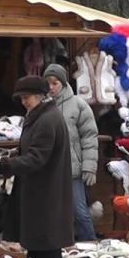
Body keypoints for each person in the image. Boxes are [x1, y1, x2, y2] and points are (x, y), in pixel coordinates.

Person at [0, 76, 74, 258]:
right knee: (38, 244)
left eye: (27, 97)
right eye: (22, 98)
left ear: (40, 96)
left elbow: (37, 157)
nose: (24, 102)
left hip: (46, 192)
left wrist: (6, 166)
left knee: (47, 245)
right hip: (41, 190)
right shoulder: (40, 116)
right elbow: (32, 149)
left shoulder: (47, 119)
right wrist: (14, 155)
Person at [43, 64, 98, 241]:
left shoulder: (78, 105)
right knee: (51, 212)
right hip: (49, 169)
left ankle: (90, 249)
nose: (51, 87)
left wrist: (89, 167)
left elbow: (89, 136)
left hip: (73, 169)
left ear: (63, 83)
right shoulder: (41, 106)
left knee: (80, 211)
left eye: (55, 83)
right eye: (48, 83)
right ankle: (59, 250)